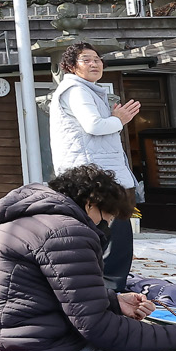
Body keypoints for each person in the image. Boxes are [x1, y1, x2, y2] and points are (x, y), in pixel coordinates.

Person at [0, 163, 176, 351]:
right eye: (107, 217)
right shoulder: (68, 232)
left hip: (2, 346)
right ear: (91, 203)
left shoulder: (17, 222)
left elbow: (41, 292)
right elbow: (99, 329)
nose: (106, 224)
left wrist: (114, 301)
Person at [49, 42, 140, 290]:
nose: (94, 64)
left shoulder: (86, 90)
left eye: (97, 59)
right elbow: (94, 126)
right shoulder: (76, 90)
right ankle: (109, 289)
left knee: (103, 233)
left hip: (97, 172)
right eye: (86, 60)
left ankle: (96, 285)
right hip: (95, 176)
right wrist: (118, 120)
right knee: (111, 234)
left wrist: (115, 119)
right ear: (70, 66)